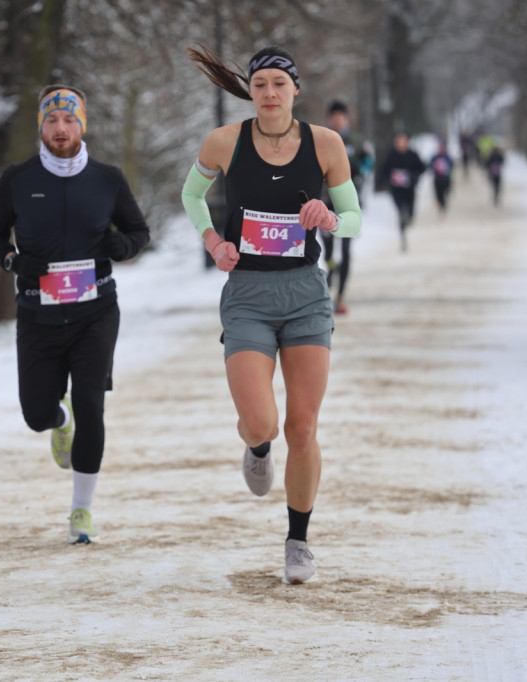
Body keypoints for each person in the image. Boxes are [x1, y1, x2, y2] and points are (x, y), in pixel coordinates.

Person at [181, 45, 362, 584]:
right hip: (249, 296)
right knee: (263, 422)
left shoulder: (326, 144)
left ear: (295, 91)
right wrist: (214, 242)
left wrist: (329, 217)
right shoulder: (224, 142)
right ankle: (257, 446)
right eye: (260, 84)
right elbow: (192, 197)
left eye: (279, 85)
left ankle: (298, 540)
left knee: (302, 427)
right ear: (250, 90)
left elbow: (353, 218)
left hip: (306, 294)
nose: (269, 94)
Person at [0, 84, 150, 545]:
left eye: (69, 120)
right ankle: (59, 422)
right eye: (52, 120)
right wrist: (14, 261)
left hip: (96, 312)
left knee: (92, 406)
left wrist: (125, 245)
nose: (61, 129)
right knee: (36, 414)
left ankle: (82, 509)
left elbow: (138, 230)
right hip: (38, 314)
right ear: (42, 125)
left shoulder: (107, 179)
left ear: (82, 125)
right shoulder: (18, 179)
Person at [320, 100, 373, 314]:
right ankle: (332, 273)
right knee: (329, 251)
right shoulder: (322, 140)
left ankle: (340, 296)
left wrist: (360, 173)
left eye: (341, 116)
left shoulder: (357, 141)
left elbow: (369, 161)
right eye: (334, 116)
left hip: (349, 203)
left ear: (347, 118)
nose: (337, 120)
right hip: (326, 202)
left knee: (347, 249)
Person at [378, 132, 425, 252]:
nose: (401, 144)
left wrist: (413, 176)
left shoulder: (413, 155)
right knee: (400, 212)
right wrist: (390, 179)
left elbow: (422, 168)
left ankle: (407, 218)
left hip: (410, 190)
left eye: (403, 141)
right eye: (398, 141)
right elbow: (383, 172)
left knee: (409, 212)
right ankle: (403, 237)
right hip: (396, 191)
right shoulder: (391, 156)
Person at [429, 137, 454, 215]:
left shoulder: (447, 157)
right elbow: (429, 166)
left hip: (446, 179)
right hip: (437, 179)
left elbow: (452, 165)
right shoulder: (435, 157)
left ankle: (443, 206)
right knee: (438, 194)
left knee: (445, 193)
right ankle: (440, 206)